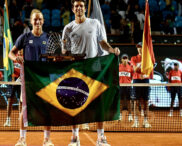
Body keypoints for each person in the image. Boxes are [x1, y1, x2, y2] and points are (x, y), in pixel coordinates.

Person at [62, 0, 120, 145]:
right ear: (73, 9)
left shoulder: (95, 23)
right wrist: (66, 53)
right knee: (74, 104)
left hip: (94, 68)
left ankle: (101, 138)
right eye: (76, 6)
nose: (79, 8)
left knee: (98, 103)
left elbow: (103, 43)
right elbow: (65, 51)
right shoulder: (68, 28)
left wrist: (112, 50)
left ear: (84, 8)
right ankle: (75, 138)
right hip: (77, 69)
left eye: (81, 5)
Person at [8, 9, 54, 146]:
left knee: (46, 109)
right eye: (35, 19)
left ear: (43, 21)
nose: (38, 22)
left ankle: (47, 139)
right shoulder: (25, 37)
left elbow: (51, 58)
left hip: (44, 79)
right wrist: (16, 58)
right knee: (25, 109)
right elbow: (11, 53)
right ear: (31, 21)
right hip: (28, 79)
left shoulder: (48, 38)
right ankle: (22, 139)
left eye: (40, 19)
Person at [131, 42, 151, 128]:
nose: (139, 48)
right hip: (136, 81)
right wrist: (144, 70)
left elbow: (149, 69)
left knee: (146, 102)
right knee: (136, 102)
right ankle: (136, 121)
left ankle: (145, 121)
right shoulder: (133, 58)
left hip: (146, 80)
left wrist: (144, 70)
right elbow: (135, 69)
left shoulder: (148, 58)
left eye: (141, 47)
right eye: (138, 47)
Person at [4, 50, 22, 127]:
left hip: (21, 81)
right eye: (20, 49)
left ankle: (20, 118)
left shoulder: (25, 58)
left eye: (22, 49)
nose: (21, 51)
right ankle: (8, 120)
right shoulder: (13, 57)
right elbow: (10, 69)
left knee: (21, 101)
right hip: (12, 81)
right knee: (10, 100)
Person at [119, 54, 133, 122]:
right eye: (123, 58)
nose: (125, 59)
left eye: (126, 58)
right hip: (121, 86)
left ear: (128, 59)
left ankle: (130, 115)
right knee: (121, 101)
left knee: (129, 101)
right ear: (121, 60)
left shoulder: (130, 67)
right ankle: (120, 115)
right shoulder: (118, 67)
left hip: (128, 86)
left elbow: (132, 77)